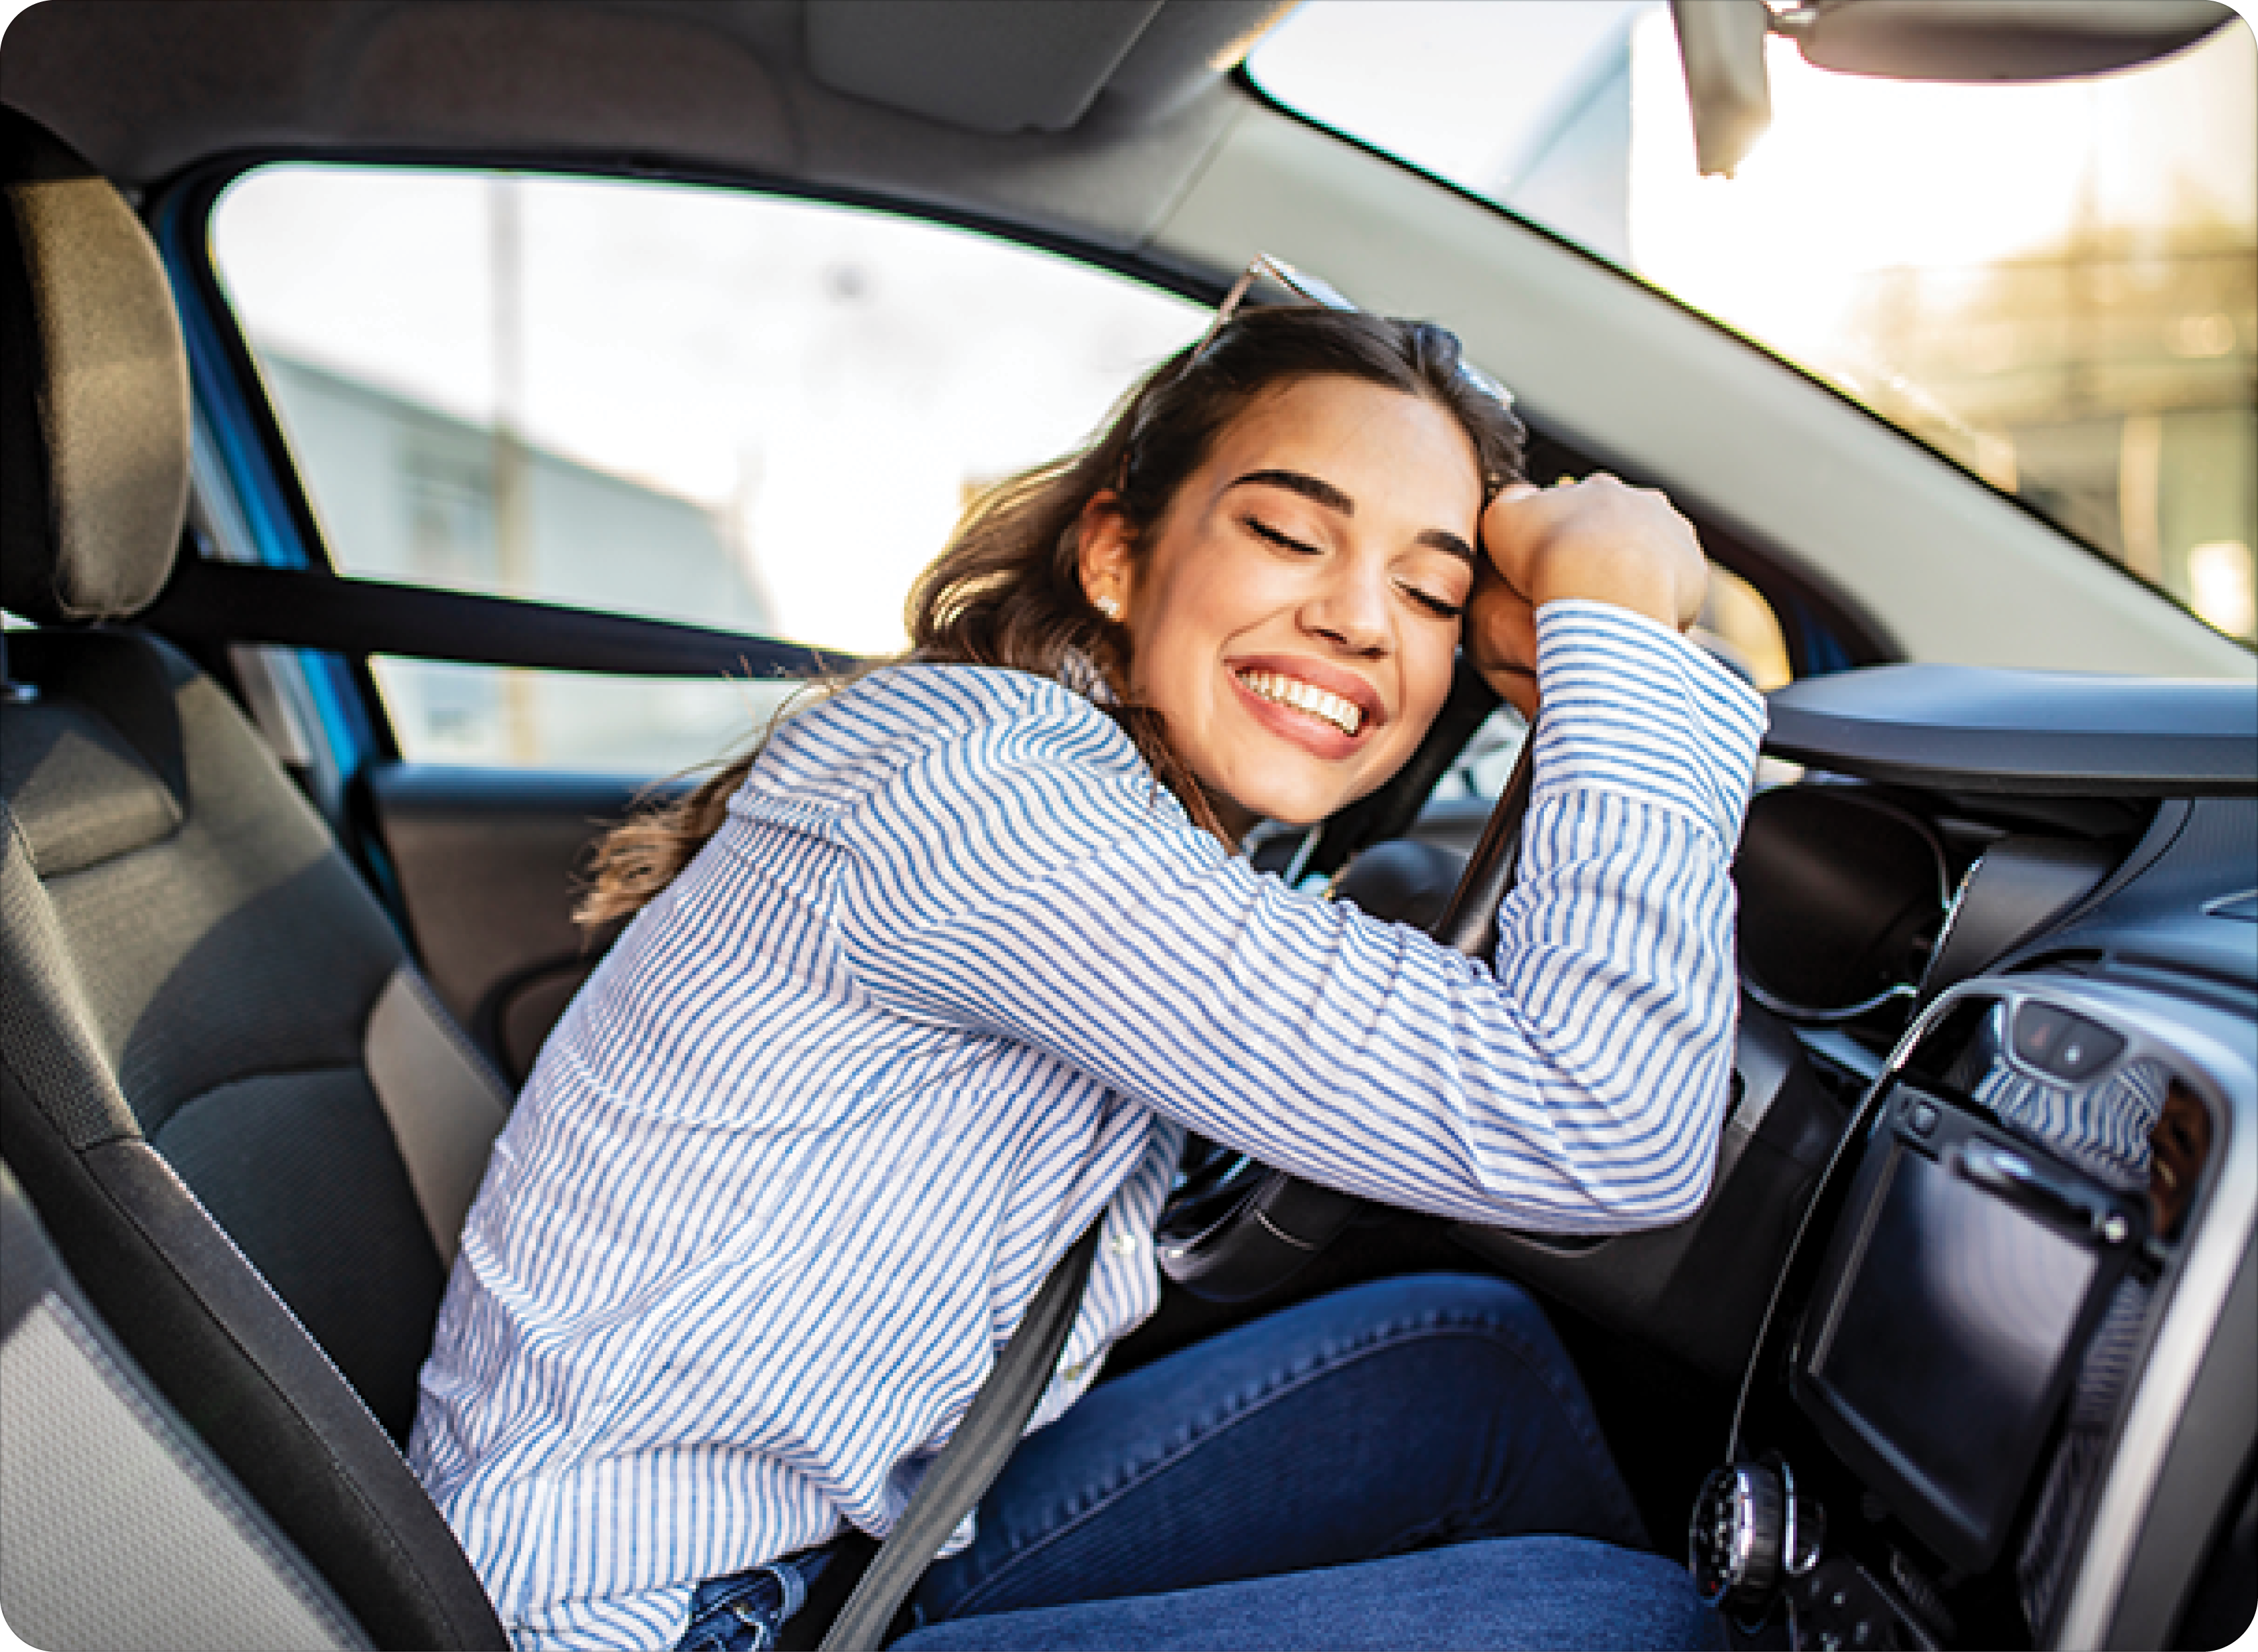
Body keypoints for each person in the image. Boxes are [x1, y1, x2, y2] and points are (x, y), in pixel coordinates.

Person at [407, 273, 1766, 1652]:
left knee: (1463, 1365)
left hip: (855, 1550)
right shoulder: (992, 800)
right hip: (654, 1626)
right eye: (1291, 534)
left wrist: (1585, 675)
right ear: (1115, 554)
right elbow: (1604, 1129)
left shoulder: (1126, 796)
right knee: (1620, 1628)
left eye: (1427, 590)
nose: (1363, 619)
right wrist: (1620, 644)